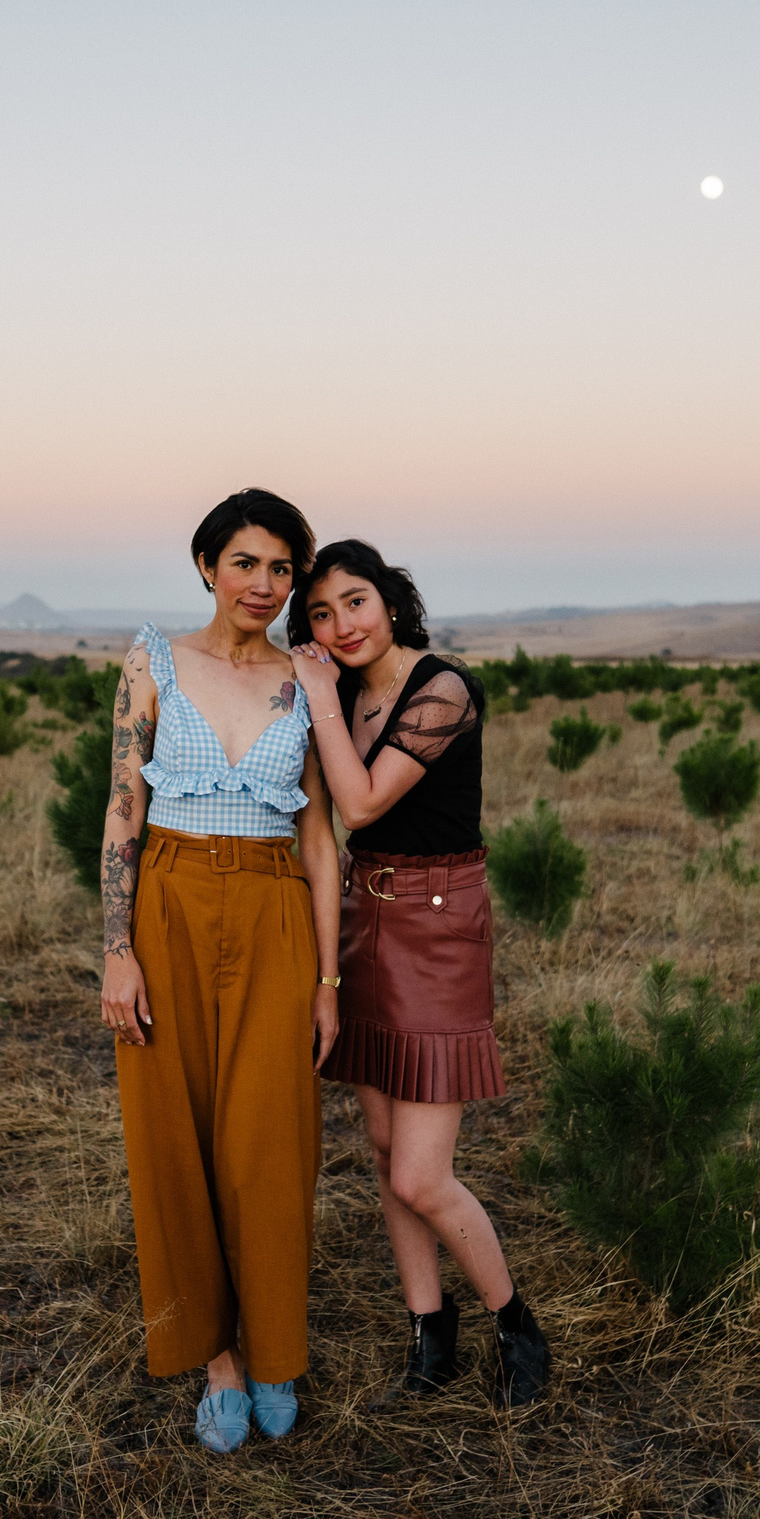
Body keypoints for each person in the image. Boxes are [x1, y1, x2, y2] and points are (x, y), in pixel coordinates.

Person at [99, 489, 343, 1454]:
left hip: (276, 907)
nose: (264, 584)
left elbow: (320, 838)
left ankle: (276, 1346)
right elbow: (123, 806)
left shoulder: (305, 678)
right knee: (175, 1133)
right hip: (168, 904)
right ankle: (219, 1361)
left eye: (282, 568)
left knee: (270, 1140)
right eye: (245, 562)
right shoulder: (154, 659)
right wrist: (117, 949)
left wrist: (328, 981)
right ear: (208, 566)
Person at [287, 540, 551, 1407]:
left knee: (420, 1174)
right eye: (320, 613)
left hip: (438, 930)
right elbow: (327, 827)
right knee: (382, 1149)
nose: (342, 624)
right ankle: (429, 1334)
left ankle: (516, 1325)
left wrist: (317, 695)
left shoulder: (444, 689)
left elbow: (361, 801)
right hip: (364, 921)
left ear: (391, 601)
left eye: (355, 601)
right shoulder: (341, 697)